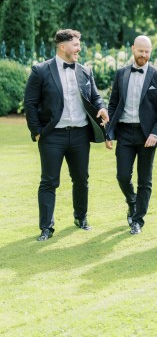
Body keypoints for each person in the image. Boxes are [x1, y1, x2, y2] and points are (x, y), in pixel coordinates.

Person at [24, 29, 109, 241]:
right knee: (49, 182)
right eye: (76, 45)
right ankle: (46, 227)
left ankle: (81, 218)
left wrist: (102, 108)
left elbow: (96, 97)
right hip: (52, 136)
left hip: (80, 134)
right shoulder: (40, 70)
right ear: (63, 46)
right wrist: (36, 132)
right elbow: (30, 103)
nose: (79, 49)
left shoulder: (84, 71)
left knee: (81, 179)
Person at [106, 35, 157, 234]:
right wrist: (108, 132)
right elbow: (113, 104)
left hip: (147, 136)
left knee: (145, 180)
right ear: (133, 49)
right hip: (124, 132)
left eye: (147, 52)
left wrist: (155, 133)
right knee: (122, 176)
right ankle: (132, 201)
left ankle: (138, 220)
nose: (143, 55)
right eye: (140, 51)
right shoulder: (121, 73)